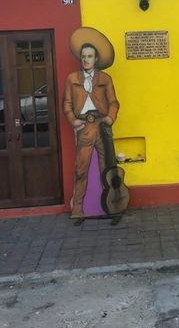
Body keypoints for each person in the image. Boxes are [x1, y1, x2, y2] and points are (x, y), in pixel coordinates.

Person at [63, 27, 120, 219]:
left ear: (96, 59)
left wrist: (110, 118)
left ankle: (109, 205)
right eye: (84, 56)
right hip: (84, 127)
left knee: (107, 168)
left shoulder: (105, 78)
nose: (86, 59)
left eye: (90, 56)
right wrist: (74, 121)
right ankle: (78, 208)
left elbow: (113, 102)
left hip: (102, 126)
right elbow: (67, 103)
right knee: (81, 169)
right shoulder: (72, 79)